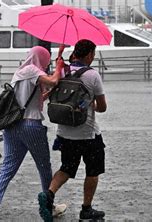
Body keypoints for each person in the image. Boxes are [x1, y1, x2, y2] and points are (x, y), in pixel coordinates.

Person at [0, 46, 66, 222]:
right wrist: (58, 67)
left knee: (8, 167)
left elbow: (34, 99)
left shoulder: (20, 72)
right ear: (41, 58)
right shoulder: (31, 70)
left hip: (12, 127)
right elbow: (53, 80)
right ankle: (49, 205)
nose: (46, 63)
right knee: (44, 167)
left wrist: (49, 92)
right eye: (46, 59)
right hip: (30, 126)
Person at [38, 39, 108, 222]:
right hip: (88, 134)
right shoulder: (92, 75)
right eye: (93, 54)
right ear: (89, 55)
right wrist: (89, 104)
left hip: (65, 133)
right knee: (93, 170)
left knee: (66, 168)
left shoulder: (63, 70)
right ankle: (86, 209)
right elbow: (102, 107)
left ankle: (49, 194)